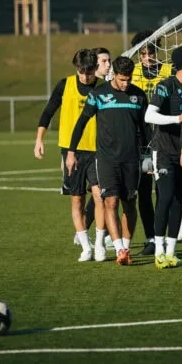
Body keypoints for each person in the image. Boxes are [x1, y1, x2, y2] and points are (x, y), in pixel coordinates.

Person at [66, 56, 150, 266]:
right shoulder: (98, 95)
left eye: (129, 79)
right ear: (113, 75)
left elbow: (146, 129)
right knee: (110, 202)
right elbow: (81, 123)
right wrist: (71, 151)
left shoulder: (138, 96)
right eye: (122, 79)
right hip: (106, 160)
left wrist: (151, 155)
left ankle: (127, 246)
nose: (126, 84)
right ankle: (120, 249)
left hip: (132, 160)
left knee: (129, 205)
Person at [34, 48, 106, 263]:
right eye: (82, 71)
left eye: (90, 70)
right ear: (76, 68)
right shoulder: (65, 85)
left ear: (95, 68)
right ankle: (86, 247)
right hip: (71, 151)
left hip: (97, 150)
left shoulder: (103, 88)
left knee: (100, 197)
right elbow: (48, 111)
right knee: (77, 200)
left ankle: (101, 244)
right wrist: (39, 139)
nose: (86, 75)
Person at [144, 46, 182, 269]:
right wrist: (177, 118)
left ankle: (172, 252)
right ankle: (158, 252)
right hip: (164, 152)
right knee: (165, 198)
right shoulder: (165, 86)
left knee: (178, 201)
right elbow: (150, 115)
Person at [129, 31, 172, 256]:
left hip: (164, 137)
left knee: (165, 190)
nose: (147, 57)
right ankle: (150, 239)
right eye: (142, 54)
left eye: (151, 52)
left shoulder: (168, 71)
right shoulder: (131, 72)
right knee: (143, 192)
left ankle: (174, 227)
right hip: (139, 139)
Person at [82, 46, 112, 235]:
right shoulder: (92, 89)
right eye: (103, 61)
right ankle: (91, 231)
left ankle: (93, 230)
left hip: (108, 146)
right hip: (90, 148)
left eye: (109, 61)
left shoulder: (112, 84)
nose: (108, 65)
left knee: (102, 192)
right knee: (100, 192)